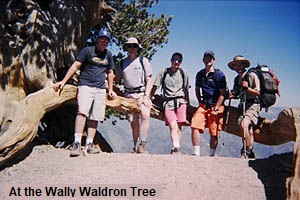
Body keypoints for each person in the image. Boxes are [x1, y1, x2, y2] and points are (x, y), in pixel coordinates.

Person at [53, 29, 116, 157]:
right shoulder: (88, 51)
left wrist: (110, 89)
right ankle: (76, 142)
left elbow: (110, 72)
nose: (104, 41)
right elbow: (75, 66)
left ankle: (89, 143)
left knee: (95, 116)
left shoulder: (108, 55)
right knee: (82, 112)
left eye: (106, 39)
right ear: (97, 39)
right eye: (102, 38)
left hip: (100, 88)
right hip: (86, 86)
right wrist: (63, 81)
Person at [115, 37, 152, 154]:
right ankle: (135, 146)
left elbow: (149, 79)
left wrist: (146, 96)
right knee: (133, 122)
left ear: (137, 48)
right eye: (129, 46)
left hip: (141, 93)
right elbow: (116, 77)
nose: (132, 48)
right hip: (128, 95)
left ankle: (142, 144)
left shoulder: (143, 61)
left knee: (145, 116)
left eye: (134, 46)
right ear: (126, 48)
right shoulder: (122, 63)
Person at [151, 52, 190, 155]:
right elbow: (155, 86)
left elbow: (186, 89)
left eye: (179, 60)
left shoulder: (183, 72)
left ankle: (175, 147)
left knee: (179, 126)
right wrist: (149, 97)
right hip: (168, 103)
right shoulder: (164, 72)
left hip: (181, 102)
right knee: (173, 126)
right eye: (175, 59)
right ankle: (177, 148)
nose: (176, 62)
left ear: (181, 62)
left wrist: (188, 103)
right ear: (171, 60)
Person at [190, 50, 227, 156]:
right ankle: (196, 153)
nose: (208, 60)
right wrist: (200, 102)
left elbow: (222, 94)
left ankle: (211, 155)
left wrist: (216, 108)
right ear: (203, 60)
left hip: (216, 105)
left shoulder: (219, 74)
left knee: (214, 131)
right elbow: (197, 89)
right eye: (206, 58)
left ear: (214, 60)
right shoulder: (200, 74)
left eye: (210, 58)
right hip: (204, 105)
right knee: (195, 125)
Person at [228, 55, 260, 159]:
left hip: (253, 104)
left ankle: (246, 150)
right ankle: (250, 151)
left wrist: (247, 88)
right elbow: (237, 94)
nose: (237, 67)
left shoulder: (251, 76)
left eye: (239, 64)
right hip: (243, 105)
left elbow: (257, 92)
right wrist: (232, 95)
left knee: (243, 125)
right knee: (248, 129)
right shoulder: (237, 79)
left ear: (243, 65)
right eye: (235, 65)